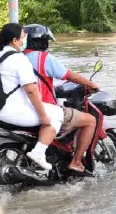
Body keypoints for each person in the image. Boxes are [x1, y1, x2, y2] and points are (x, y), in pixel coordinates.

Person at [22, 24, 99, 175]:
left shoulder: (16, 58)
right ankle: (76, 162)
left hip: (21, 108)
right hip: (44, 108)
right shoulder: (44, 58)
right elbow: (69, 75)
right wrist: (91, 84)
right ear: (43, 41)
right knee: (90, 121)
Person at [0, 22, 61, 174]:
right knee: (57, 114)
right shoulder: (19, 58)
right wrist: (43, 116)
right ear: (14, 40)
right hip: (9, 112)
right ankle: (39, 152)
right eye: (22, 37)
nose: (24, 39)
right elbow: (32, 90)